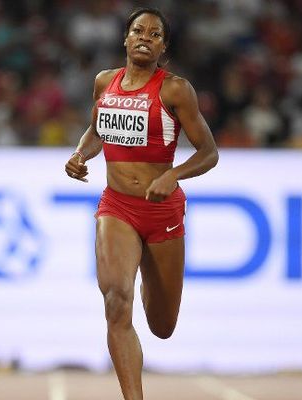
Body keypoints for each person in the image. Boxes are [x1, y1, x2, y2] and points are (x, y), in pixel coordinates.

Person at [64, 8, 218, 400]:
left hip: (162, 212)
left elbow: (209, 152)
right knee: (116, 299)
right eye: (138, 30)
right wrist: (81, 154)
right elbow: (96, 130)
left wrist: (173, 174)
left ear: (163, 46)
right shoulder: (104, 82)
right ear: (126, 38)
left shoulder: (175, 89)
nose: (145, 37)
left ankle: (149, 270)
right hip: (116, 207)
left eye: (154, 33)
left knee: (162, 324)